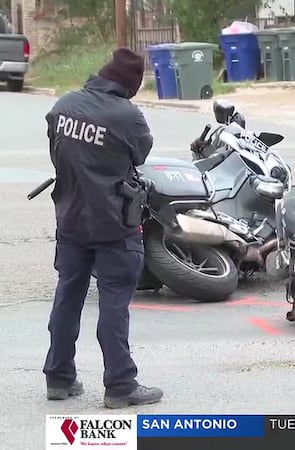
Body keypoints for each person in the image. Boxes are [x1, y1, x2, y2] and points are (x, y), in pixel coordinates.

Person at [43, 48, 163, 409]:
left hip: (71, 218)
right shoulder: (128, 116)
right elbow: (140, 155)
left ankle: (59, 377)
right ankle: (120, 384)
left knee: (68, 296)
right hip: (114, 223)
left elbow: (57, 153)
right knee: (113, 303)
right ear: (130, 85)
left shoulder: (63, 106)